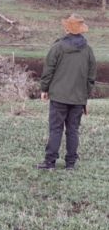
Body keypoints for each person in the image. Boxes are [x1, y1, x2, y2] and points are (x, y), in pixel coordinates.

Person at [36, 14, 97, 171]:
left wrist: (44, 89)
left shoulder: (57, 47)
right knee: (73, 130)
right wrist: (85, 94)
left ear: (67, 28)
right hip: (78, 98)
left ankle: (50, 163)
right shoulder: (88, 50)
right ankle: (71, 164)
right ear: (82, 30)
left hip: (59, 97)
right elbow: (91, 77)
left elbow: (48, 70)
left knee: (56, 129)